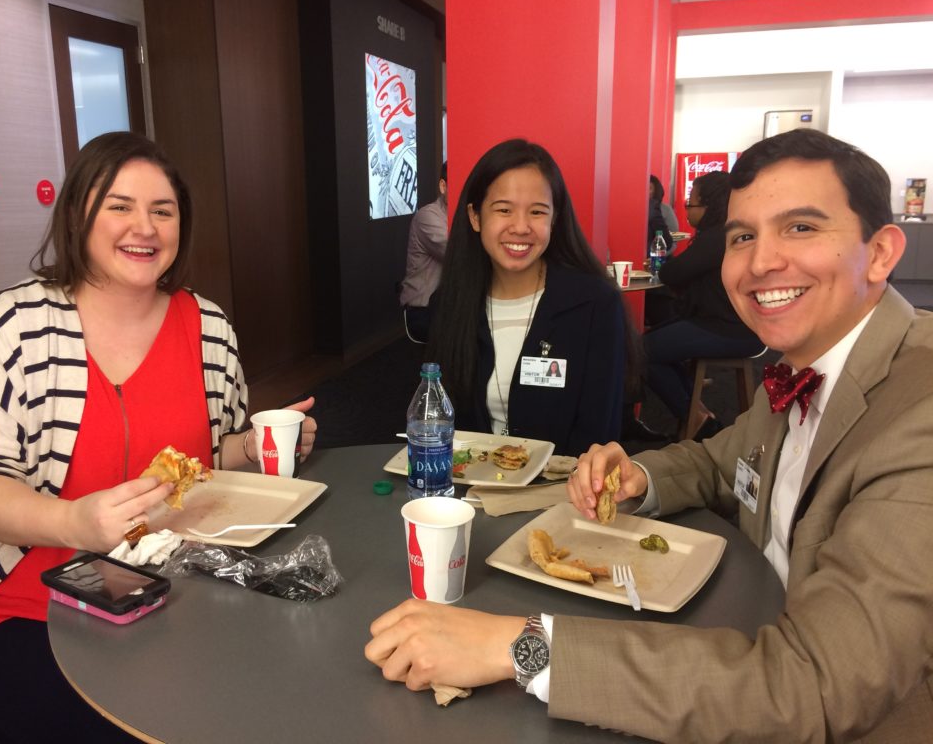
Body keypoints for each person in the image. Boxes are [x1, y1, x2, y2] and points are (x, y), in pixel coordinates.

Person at [365, 129, 933, 742]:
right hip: (742, 630)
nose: (763, 260)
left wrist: (521, 644)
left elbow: (814, 686)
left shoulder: (916, 414)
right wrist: (638, 475)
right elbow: (718, 464)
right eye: (742, 236)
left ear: (880, 252)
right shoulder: (803, 371)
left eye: (800, 228)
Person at [0, 132, 318, 743]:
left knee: (274, 696)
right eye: (119, 206)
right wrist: (73, 523)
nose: (144, 227)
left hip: (165, 594)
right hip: (13, 603)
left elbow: (212, 454)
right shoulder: (15, 327)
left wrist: (254, 448)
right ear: (79, 215)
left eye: (163, 210)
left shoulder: (207, 327)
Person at [426, 139, 634, 456]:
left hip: (564, 491)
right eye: (504, 210)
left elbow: (600, 433)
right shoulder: (450, 304)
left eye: (537, 212)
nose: (521, 227)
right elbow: (439, 418)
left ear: (554, 219)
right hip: (471, 489)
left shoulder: (595, 305)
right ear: (475, 216)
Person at [644, 170, 763, 439]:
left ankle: (695, 418)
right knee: (653, 342)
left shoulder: (717, 237)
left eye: (691, 202)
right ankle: (697, 413)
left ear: (709, 203)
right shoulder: (728, 232)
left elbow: (672, 272)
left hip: (730, 329)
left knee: (643, 351)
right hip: (731, 324)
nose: (686, 208)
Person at [400, 161, 448, 343]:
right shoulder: (428, 216)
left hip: (446, 307)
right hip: (424, 311)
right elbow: (458, 252)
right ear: (443, 186)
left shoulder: (459, 216)